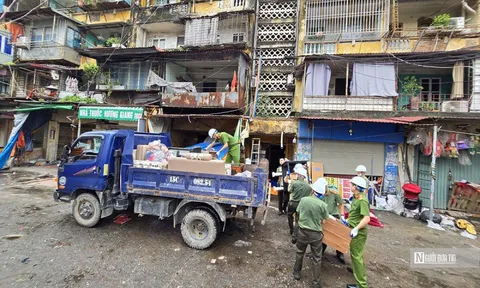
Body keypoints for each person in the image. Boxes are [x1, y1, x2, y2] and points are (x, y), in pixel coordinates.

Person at [293, 178, 330, 288]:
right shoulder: (323, 205)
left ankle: (297, 273)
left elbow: (298, 212)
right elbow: (324, 221)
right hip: (316, 234)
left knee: (300, 252)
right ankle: (316, 283)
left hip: (303, 232)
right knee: (317, 258)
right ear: (322, 194)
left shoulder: (304, 200)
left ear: (313, 190)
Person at [346, 176, 371, 288]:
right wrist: (348, 221)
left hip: (358, 233)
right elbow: (356, 214)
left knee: (357, 257)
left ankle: (362, 285)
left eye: (351, 184)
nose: (350, 185)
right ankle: (358, 277)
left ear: (356, 187)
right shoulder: (356, 198)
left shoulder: (362, 200)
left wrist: (356, 228)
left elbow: (367, 218)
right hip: (353, 229)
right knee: (355, 256)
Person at [320, 183, 347, 264]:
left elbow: (341, 203)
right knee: (323, 235)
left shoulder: (334, 193)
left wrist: (342, 215)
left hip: (333, 215)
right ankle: (320, 251)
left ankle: (340, 252)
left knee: (338, 236)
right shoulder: (317, 193)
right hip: (323, 215)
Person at [287, 167, 311, 239]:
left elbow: (289, 190)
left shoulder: (294, 183)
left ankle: (291, 229)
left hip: (293, 203)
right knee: (298, 219)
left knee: (290, 216)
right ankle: (295, 234)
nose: (296, 175)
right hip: (302, 204)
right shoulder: (309, 186)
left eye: (297, 174)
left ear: (300, 176)